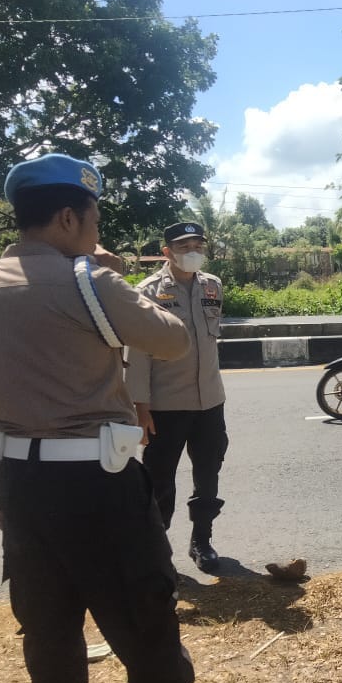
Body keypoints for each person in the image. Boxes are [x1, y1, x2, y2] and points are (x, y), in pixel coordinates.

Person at [0, 153, 233, 683]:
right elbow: (172, 338)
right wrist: (105, 271)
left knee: (47, 627)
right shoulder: (91, 281)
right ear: (66, 217)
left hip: (23, 487)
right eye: (94, 218)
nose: (97, 231)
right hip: (100, 483)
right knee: (146, 616)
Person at [125, 222, 228, 574]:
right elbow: (137, 353)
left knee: (208, 475)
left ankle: (202, 540)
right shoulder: (148, 292)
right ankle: (157, 551)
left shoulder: (212, 285)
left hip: (210, 402)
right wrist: (140, 406)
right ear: (167, 252)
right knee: (158, 482)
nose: (192, 251)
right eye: (184, 246)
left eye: (198, 244)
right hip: (165, 406)